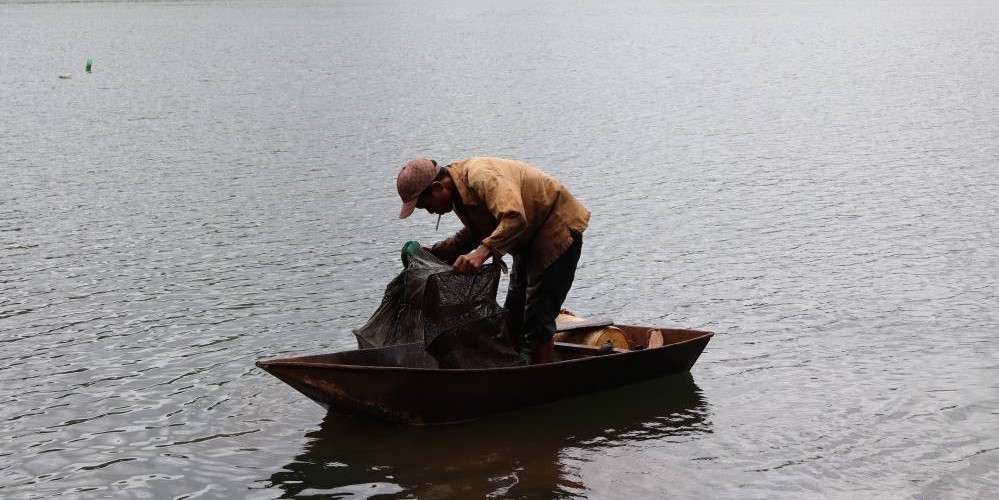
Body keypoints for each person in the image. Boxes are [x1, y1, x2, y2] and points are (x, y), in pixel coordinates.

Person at [396, 157, 590, 364]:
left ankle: (542, 376)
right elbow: (477, 230)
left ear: (437, 187)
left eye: (426, 205)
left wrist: (481, 253)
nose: (430, 211)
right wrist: (440, 251)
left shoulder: (481, 176)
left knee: (538, 317)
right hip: (527, 239)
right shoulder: (458, 193)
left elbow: (515, 218)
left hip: (556, 228)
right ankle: (516, 367)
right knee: (513, 314)